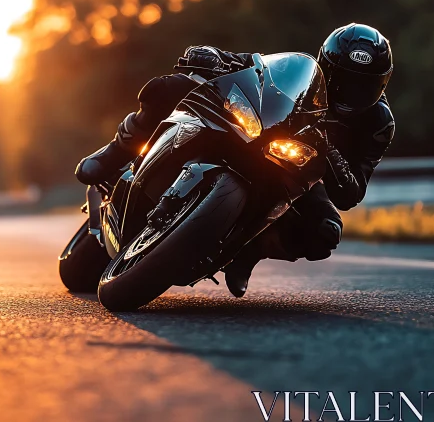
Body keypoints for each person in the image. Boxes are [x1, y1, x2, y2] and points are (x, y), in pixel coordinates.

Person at [74, 23, 396, 297]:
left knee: (326, 231)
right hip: (259, 131)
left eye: (362, 86)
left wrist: (330, 151)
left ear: (380, 85)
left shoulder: (378, 124)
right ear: (326, 67)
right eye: (342, 80)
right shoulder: (300, 72)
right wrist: (215, 57)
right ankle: (117, 151)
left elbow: (352, 193)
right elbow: (254, 65)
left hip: (301, 171)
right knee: (172, 87)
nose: (348, 92)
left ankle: (247, 252)